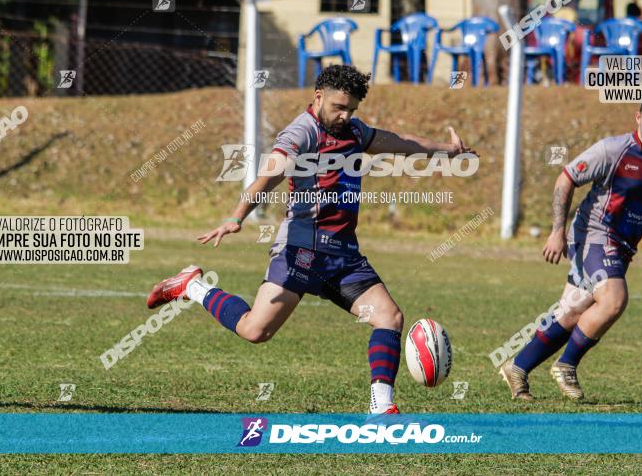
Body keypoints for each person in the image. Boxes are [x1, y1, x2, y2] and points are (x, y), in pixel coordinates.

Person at [146, 64, 477, 414]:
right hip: (301, 250)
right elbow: (268, 175)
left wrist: (446, 150)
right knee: (255, 331)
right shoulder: (302, 132)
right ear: (318, 97)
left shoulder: (353, 130)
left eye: (351, 108)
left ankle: (381, 408)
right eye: (338, 107)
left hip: (344, 256)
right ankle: (192, 286)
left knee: (389, 317)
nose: (345, 115)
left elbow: (398, 142)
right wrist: (236, 217)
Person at [501, 102, 642, 400]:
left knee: (573, 312)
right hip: (593, 234)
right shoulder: (612, 150)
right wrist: (557, 231)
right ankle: (566, 364)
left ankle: (517, 366)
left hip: (623, 246)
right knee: (614, 298)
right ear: (638, 118)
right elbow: (566, 178)